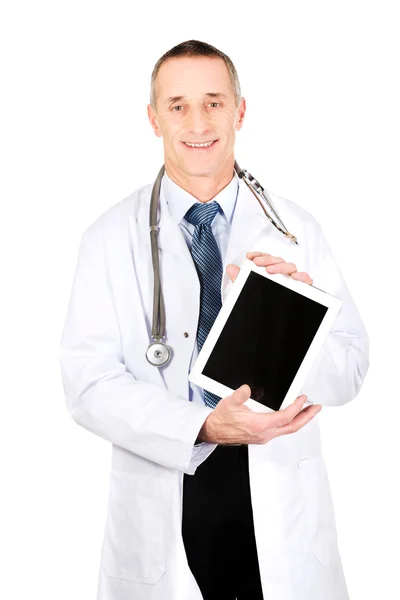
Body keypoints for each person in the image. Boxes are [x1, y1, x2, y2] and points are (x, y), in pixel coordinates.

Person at [59, 39, 369, 600]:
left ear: (240, 111)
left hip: (277, 503)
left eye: (214, 102)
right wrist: (200, 427)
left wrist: (297, 321)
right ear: (154, 119)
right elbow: (87, 385)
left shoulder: (295, 230)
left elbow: (348, 372)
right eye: (177, 105)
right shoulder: (109, 238)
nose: (198, 121)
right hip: (167, 491)